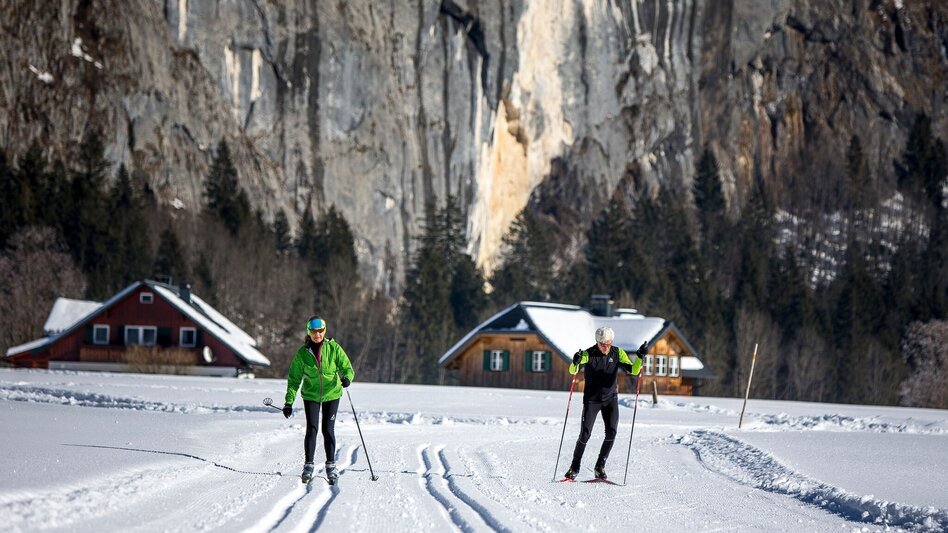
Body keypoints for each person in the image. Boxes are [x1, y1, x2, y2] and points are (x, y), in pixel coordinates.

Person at [563, 327, 646, 481]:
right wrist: (575, 361)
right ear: (597, 342)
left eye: (607, 344)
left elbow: (634, 371)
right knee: (585, 434)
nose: (605, 347)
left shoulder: (618, 352)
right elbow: (573, 370)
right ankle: (574, 468)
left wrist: (640, 358)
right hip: (592, 399)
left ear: (611, 342)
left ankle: (600, 466)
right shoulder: (588, 353)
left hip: (610, 399)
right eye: (602, 344)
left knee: (612, 432)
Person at [283, 316, 355, 484]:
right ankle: (308, 465)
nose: (317, 334)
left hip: (332, 393)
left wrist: (347, 378)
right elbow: (294, 380)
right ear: (309, 332)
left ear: (324, 331)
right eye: (314, 331)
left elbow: (347, 368)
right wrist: (288, 402)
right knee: (312, 428)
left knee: (328, 429)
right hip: (311, 395)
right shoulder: (302, 353)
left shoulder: (334, 348)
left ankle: (331, 465)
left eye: (320, 331)